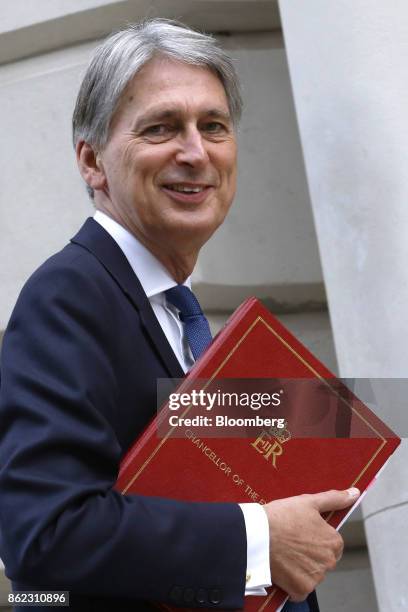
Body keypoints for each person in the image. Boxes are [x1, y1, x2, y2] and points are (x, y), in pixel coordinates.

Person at [0, 19, 359, 612]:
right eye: (162, 127)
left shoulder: (178, 311)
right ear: (92, 162)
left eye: (213, 126)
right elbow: (44, 533)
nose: (195, 152)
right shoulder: (69, 296)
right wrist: (262, 538)